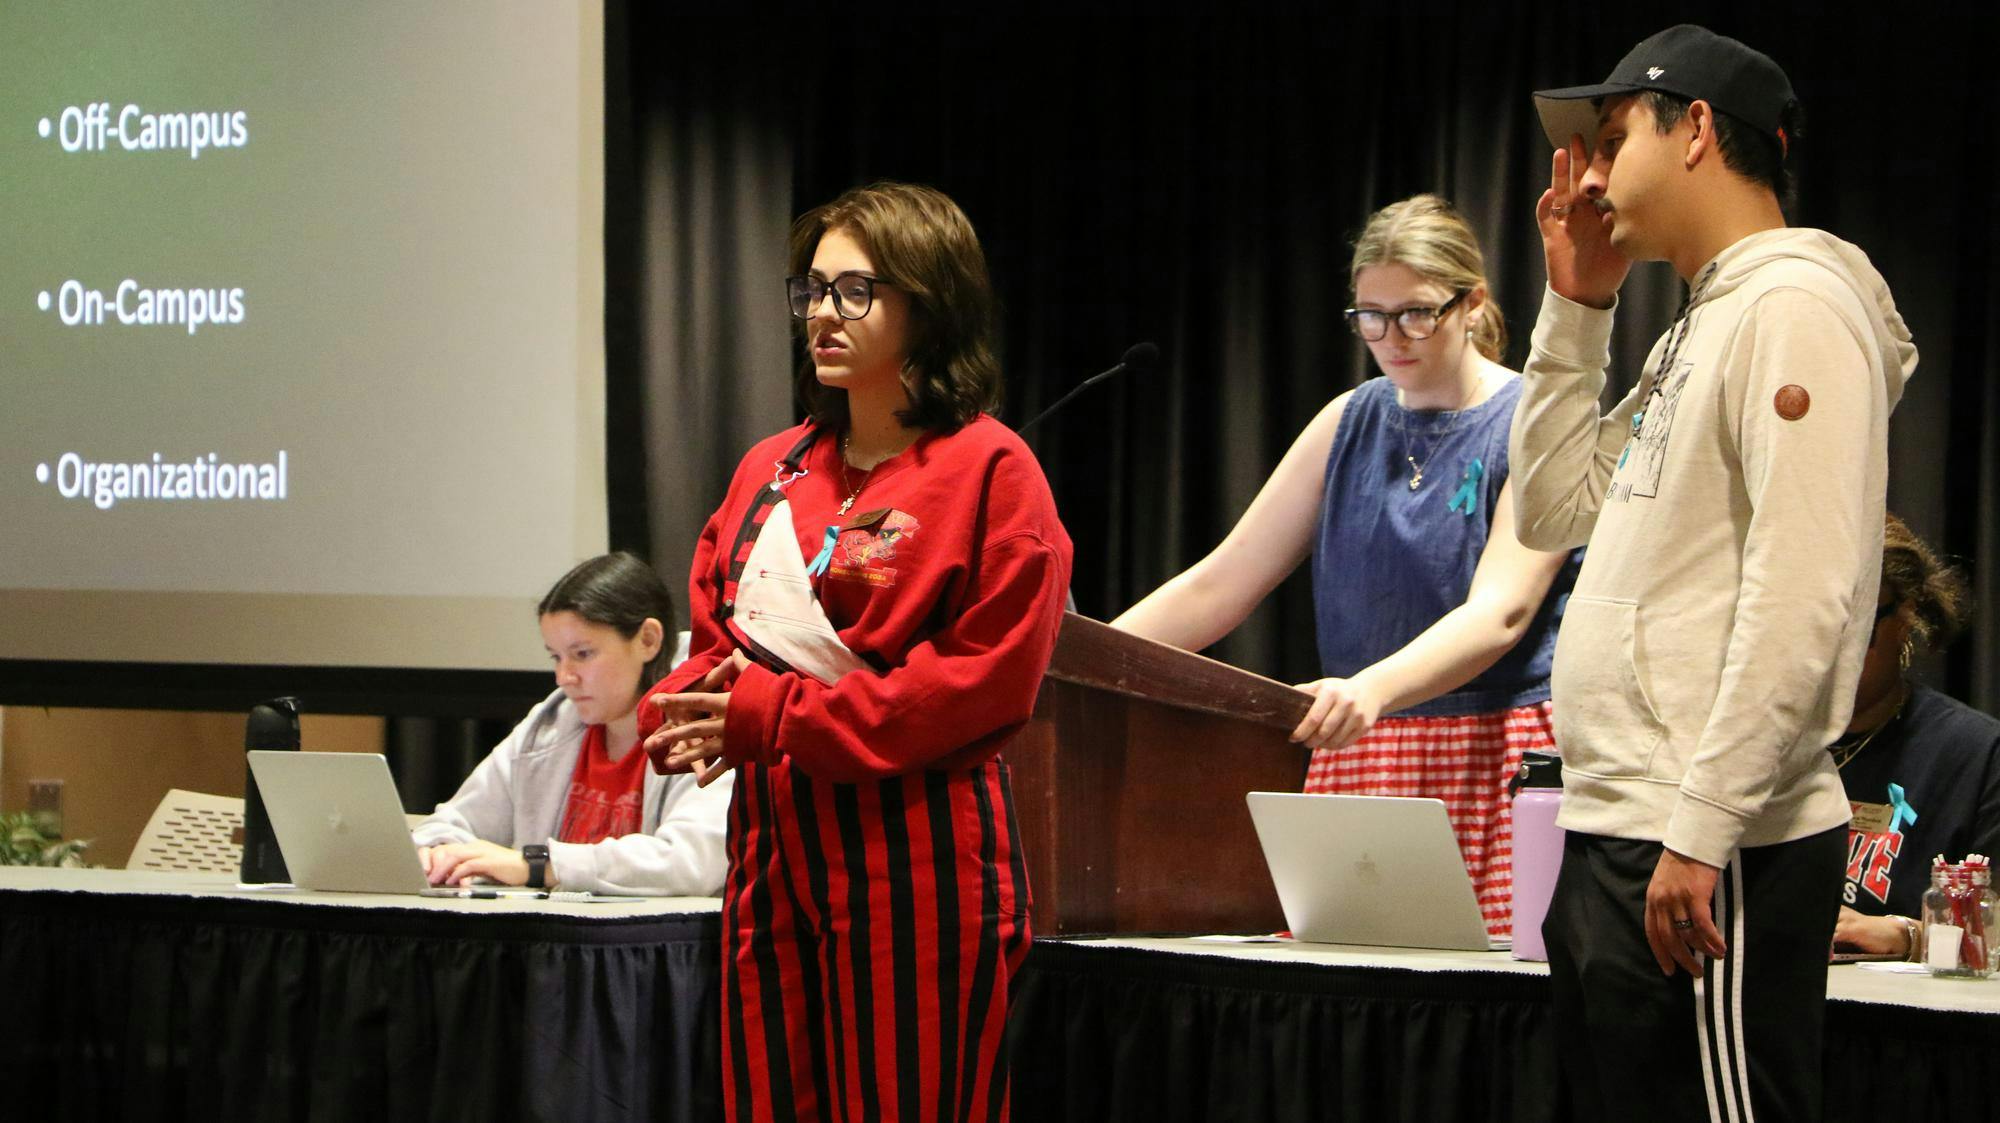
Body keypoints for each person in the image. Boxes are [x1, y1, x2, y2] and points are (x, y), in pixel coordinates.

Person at [1513, 24, 1916, 1122]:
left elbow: (1804, 591)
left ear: (1694, 129)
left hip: (1707, 841)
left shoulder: (1792, 308)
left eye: (1608, 139)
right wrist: (1577, 311)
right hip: (1625, 824)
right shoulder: (1703, 321)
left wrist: (1699, 826)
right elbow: (1551, 507)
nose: (1587, 178)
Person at [640, 182, 1072, 1123]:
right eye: (812, 292)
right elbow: (717, 627)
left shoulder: (991, 471)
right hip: (771, 840)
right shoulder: (773, 465)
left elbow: (977, 686)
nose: (823, 315)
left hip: (914, 844)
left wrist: (768, 713)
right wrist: (684, 704)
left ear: (930, 300)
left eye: (856, 292)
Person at [1112, 194, 1577, 939]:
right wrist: (1087, 659)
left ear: (1472, 302)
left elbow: (1502, 612)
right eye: (1371, 315)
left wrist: (1371, 690)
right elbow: (1222, 580)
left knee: (1486, 1002)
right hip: (1368, 748)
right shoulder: (1348, 419)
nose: (1391, 336)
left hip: (1493, 756)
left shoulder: (1535, 423)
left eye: (1416, 312)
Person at [413, 552, 731, 896]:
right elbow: (450, 824)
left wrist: (537, 865)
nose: (564, 677)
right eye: (556, 656)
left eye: (582, 654)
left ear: (648, 641)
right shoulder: (550, 725)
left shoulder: (705, 729)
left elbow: (688, 864)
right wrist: (437, 854)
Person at [1832, 514, 2000, 959]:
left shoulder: (1975, 753)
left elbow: (1995, 931)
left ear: (1906, 616)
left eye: (1856, 627)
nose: (1831, 647)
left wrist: (1908, 935)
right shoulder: (1758, 743)